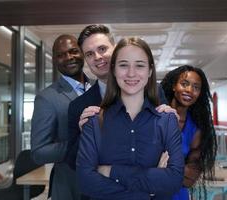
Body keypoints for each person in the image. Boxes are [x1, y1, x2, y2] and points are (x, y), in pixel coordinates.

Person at [76, 37, 184, 200]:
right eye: (123, 65)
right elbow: (85, 181)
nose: (131, 73)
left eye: (139, 65)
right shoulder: (94, 121)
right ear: (113, 70)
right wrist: (149, 190)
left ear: (149, 71)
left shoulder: (167, 120)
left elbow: (174, 180)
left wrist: (110, 171)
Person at [66, 24, 170, 170]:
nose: (97, 57)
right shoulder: (79, 106)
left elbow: (170, 147)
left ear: (115, 49)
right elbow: (72, 162)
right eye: (89, 54)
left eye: (102, 49)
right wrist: (85, 135)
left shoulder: (154, 92)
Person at [31, 34, 93, 200]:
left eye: (73, 51)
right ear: (54, 60)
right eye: (61, 55)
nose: (68, 57)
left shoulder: (101, 88)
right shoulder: (47, 98)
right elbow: (39, 153)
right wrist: (81, 144)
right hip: (70, 187)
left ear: (82, 53)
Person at [160, 65, 217, 200]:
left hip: (177, 194)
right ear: (174, 86)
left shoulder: (196, 128)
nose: (189, 90)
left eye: (196, 87)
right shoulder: (154, 116)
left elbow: (189, 178)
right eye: (184, 84)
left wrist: (162, 167)